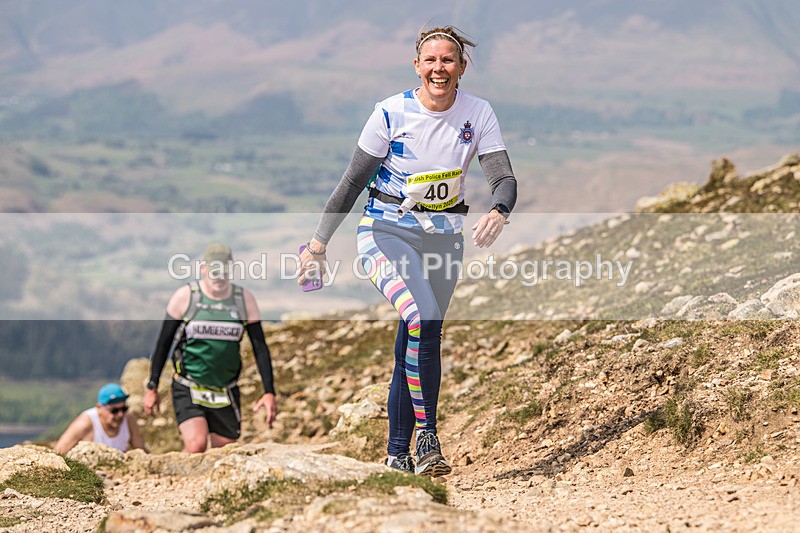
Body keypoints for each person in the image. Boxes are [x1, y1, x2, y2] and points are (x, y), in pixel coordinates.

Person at [299, 26, 517, 476]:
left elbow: (503, 177)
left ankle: (397, 454)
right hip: (386, 230)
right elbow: (352, 182)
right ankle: (428, 438)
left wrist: (499, 210)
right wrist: (318, 244)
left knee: (418, 338)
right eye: (430, 60)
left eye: (448, 60)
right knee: (423, 318)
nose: (439, 68)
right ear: (417, 65)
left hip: (444, 239)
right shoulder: (390, 113)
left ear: (461, 67)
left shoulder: (478, 112)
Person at [143, 243, 278, 453]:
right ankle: (181, 484)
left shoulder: (244, 300)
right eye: (214, 270)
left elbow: (260, 348)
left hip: (226, 389)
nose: (218, 276)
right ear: (203, 268)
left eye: (223, 271)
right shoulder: (186, 297)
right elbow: (163, 344)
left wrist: (269, 392)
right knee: (196, 445)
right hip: (188, 385)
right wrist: (152, 386)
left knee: (224, 452)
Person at [54, 383, 146, 454]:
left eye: (124, 409)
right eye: (114, 411)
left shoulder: (129, 420)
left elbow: (141, 451)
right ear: (99, 408)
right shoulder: (84, 423)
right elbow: (58, 453)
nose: (120, 414)